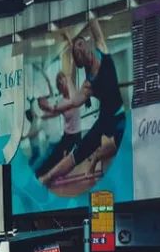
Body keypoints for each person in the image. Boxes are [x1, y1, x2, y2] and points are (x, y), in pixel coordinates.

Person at [40, 19, 125, 186]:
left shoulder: (102, 52)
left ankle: (94, 160)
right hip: (105, 119)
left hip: (121, 114)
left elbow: (95, 28)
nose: (79, 47)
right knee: (76, 155)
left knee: (120, 142)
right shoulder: (88, 85)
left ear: (87, 44)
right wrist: (52, 107)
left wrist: (89, 10)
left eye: (80, 44)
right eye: (77, 49)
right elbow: (73, 101)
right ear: (79, 59)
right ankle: (47, 177)